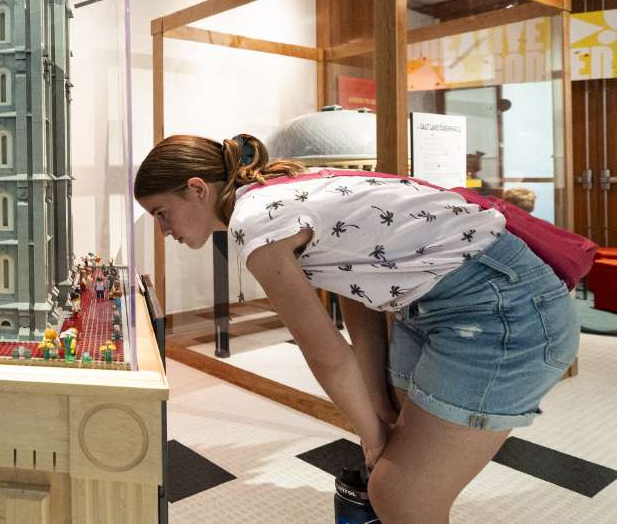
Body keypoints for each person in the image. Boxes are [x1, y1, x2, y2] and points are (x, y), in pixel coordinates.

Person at [134, 134, 579, 524]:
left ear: (197, 189)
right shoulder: (278, 192)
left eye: (162, 213)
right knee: (394, 447)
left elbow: (325, 353)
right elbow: (356, 291)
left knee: (398, 495)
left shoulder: (254, 224)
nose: (163, 230)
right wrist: (377, 414)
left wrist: (372, 437)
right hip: (432, 303)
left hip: (501, 305)